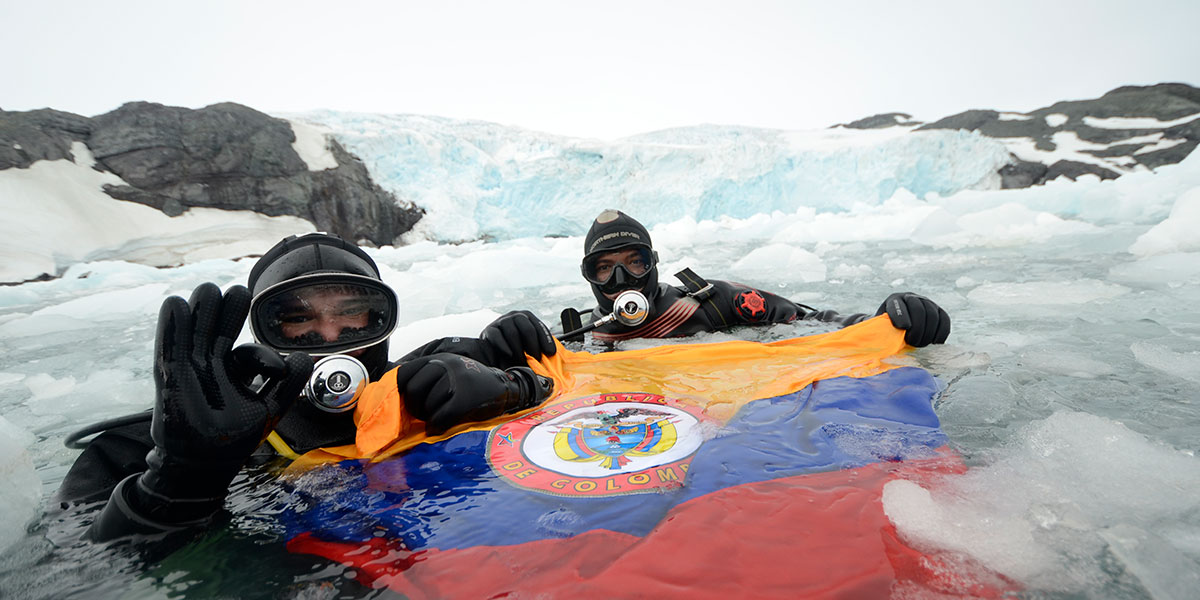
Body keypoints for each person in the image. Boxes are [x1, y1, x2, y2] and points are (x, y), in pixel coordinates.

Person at [55, 232, 558, 541]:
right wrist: (179, 481)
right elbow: (71, 566)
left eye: (354, 315)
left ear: (383, 319)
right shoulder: (154, 444)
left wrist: (511, 386)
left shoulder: (435, 372)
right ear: (263, 331)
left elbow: (563, 393)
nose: (332, 338)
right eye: (296, 319)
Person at [563, 209, 951, 346]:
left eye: (635, 262)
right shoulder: (577, 338)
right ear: (590, 277)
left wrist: (884, 320)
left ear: (654, 264)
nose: (622, 279)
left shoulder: (714, 304)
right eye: (604, 268)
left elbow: (813, 323)